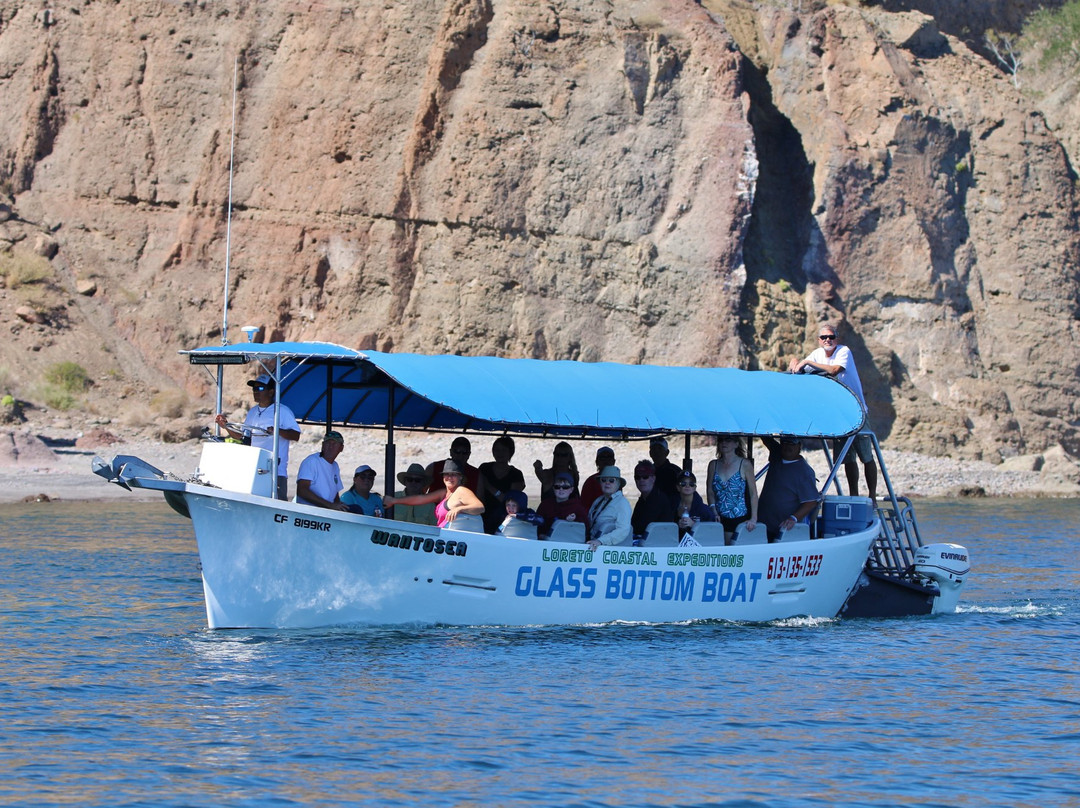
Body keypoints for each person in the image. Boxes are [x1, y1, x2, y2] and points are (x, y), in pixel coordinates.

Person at [789, 324, 878, 499]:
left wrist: (806, 362)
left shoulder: (844, 351)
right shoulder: (817, 354)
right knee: (848, 459)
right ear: (819, 340)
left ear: (836, 339)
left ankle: (873, 497)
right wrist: (794, 360)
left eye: (831, 337)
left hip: (857, 410)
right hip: (839, 414)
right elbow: (798, 366)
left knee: (866, 456)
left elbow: (835, 370)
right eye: (823, 338)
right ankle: (853, 496)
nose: (827, 340)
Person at [214, 373, 300, 500]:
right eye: (254, 389)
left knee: (276, 506)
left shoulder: (283, 411)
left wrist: (277, 431)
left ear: (271, 392)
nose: (256, 392)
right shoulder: (252, 412)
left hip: (275, 471)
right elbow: (243, 437)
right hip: (254, 469)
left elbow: (296, 435)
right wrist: (226, 426)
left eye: (260, 389)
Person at [384, 459, 484, 528]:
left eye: (453, 475)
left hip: (453, 540)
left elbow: (480, 507)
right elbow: (420, 499)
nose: (449, 477)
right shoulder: (443, 493)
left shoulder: (462, 491)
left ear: (460, 477)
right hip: (442, 538)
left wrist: (459, 509)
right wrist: (394, 500)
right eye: (446, 474)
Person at [757, 436, 819, 541]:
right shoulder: (777, 453)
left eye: (792, 443)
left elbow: (811, 502)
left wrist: (793, 518)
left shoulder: (805, 472)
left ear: (800, 446)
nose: (787, 446)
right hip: (760, 525)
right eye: (784, 442)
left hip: (782, 530)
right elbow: (767, 439)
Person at [706, 435, 759, 535]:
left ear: (736, 444)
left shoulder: (745, 464)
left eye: (728, 440)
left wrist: (753, 518)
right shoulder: (713, 464)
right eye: (721, 440)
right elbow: (710, 491)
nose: (723, 443)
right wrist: (713, 510)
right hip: (718, 517)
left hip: (740, 517)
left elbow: (753, 493)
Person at [476, 436, 526, 533]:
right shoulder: (484, 468)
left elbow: (512, 502)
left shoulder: (516, 474)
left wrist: (489, 487)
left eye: (504, 450)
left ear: (510, 452)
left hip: (505, 518)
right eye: (497, 450)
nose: (500, 453)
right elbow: (479, 494)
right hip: (483, 514)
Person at [296, 431, 348, 511]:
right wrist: (330, 506)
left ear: (341, 448)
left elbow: (335, 494)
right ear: (323, 445)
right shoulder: (312, 461)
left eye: (334, 444)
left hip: (327, 513)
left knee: (355, 509)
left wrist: (338, 507)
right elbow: (302, 491)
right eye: (328, 443)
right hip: (311, 513)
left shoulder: (335, 466)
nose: (330, 447)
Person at [585, 465, 632, 550]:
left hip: (608, 550)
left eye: (611, 480)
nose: (607, 483)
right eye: (603, 480)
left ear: (618, 484)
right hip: (592, 545)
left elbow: (623, 530)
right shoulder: (598, 500)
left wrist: (600, 541)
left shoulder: (623, 503)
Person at [630, 460, 673, 544]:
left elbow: (640, 527)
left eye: (645, 477)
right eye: (637, 477)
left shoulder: (659, 499)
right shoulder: (642, 500)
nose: (641, 480)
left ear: (653, 478)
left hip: (657, 544)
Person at [536, 471, 589, 536]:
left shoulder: (578, 507)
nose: (561, 489)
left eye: (565, 487)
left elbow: (586, 530)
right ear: (553, 488)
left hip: (569, 542)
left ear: (571, 490)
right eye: (557, 487)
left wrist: (573, 522)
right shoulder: (545, 505)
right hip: (546, 541)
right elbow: (537, 526)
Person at [672, 470, 716, 540]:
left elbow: (713, 530)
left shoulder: (703, 509)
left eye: (691, 484)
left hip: (699, 546)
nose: (687, 486)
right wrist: (676, 525)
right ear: (678, 487)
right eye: (683, 483)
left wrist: (694, 525)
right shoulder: (672, 507)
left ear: (695, 487)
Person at [580, 446, 616, 512]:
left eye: (609, 457)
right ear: (597, 462)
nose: (606, 460)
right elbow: (584, 507)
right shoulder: (590, 482)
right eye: (602, 458)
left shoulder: (617, 482)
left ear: (613, 461)